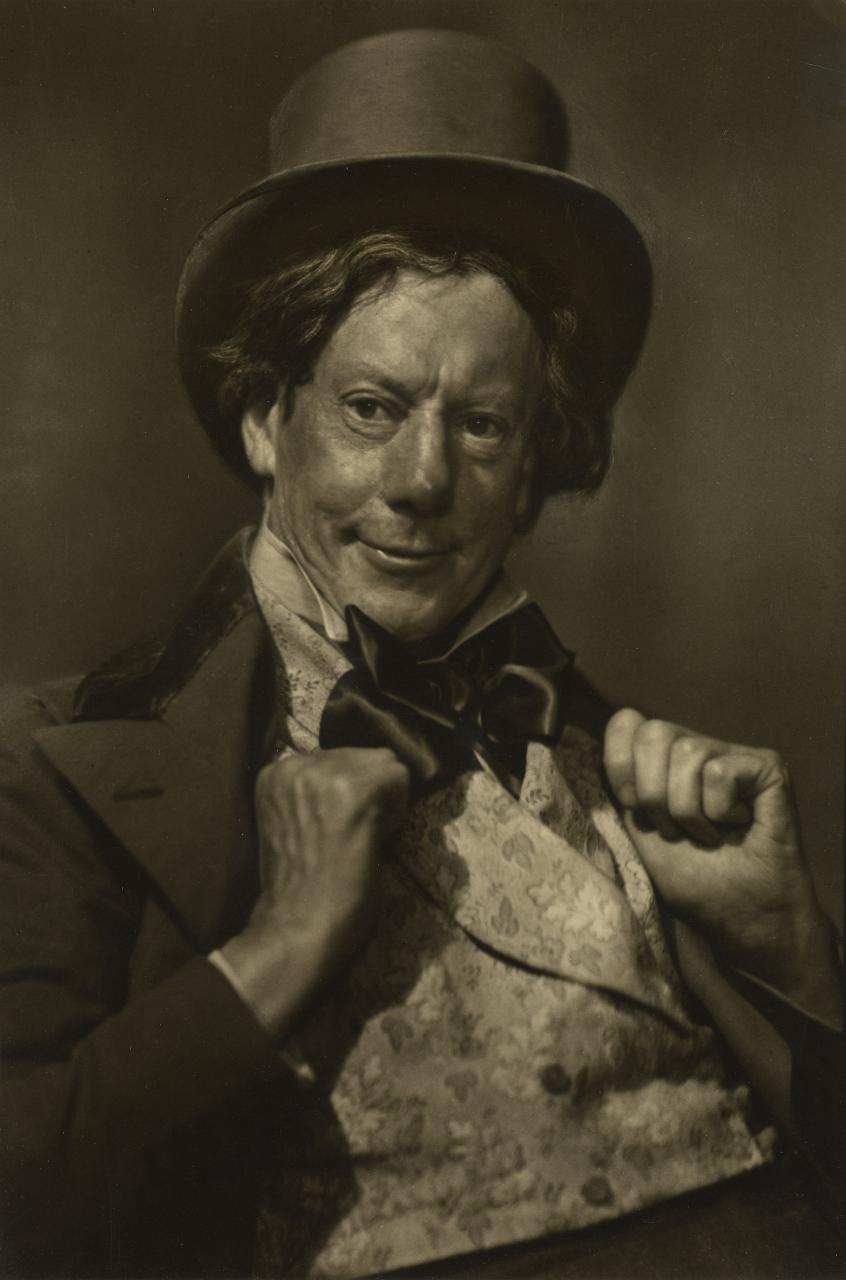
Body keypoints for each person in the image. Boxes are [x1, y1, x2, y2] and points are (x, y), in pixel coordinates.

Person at [0, 27, 841, 1280]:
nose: (424, 480)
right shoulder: (59, 761)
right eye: (372, 408)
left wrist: (795, 955)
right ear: (265, 418)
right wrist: (273, 951)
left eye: (484, 425)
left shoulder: (610, 746)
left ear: (535, 466)